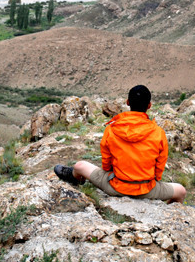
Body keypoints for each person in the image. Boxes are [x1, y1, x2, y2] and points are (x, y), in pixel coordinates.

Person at [54, 84, 186, 204]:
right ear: (149, 105)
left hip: (115, 187)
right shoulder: (158, 133)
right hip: (147, 190)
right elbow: (159, 169)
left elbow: (106, 165)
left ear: (128, 102)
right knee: (181, 191)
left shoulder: (112, 128)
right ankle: (168, 211)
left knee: (80, 165)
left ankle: (77, 180)